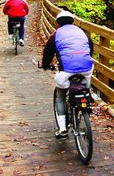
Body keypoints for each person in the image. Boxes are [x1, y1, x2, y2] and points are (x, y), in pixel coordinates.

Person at [41, 10, 94, 138]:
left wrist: (45, 65)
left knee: (60, 93)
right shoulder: (83, 32)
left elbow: (48, 52)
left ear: (58, 23)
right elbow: (90, 48)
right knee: (85, 85)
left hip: (67, 70)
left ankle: (63, 129)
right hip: (86, 67)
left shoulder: (56, 34)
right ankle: (87, 99)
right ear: (72, 21)